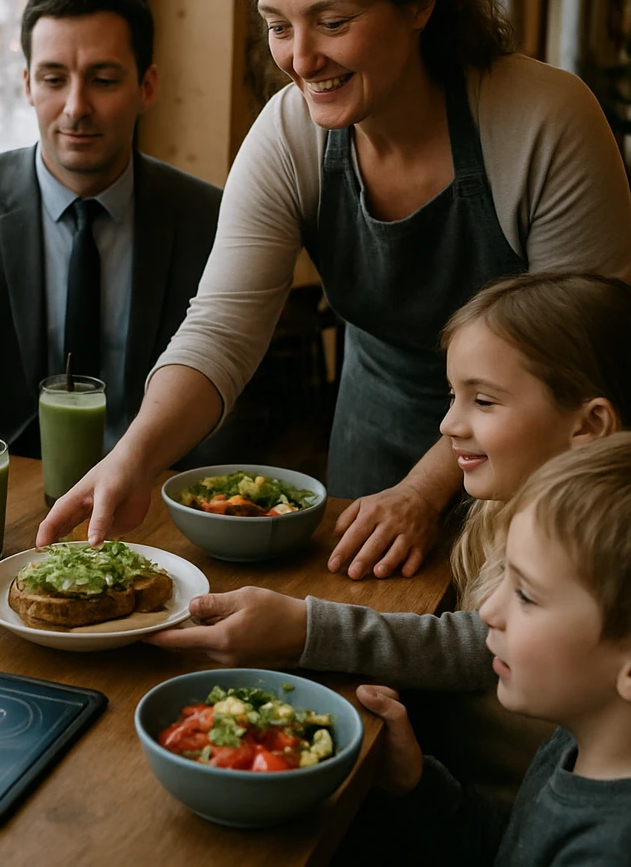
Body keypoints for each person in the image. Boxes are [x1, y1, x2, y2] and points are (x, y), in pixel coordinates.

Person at [37, 0, 631, 579]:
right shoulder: (290, 134)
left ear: (418, 0)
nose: (301, 59)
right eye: (278, 27)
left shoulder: (544, 120)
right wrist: (131, 458)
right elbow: (221, 328)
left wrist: (424, 488)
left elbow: (578, 357)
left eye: (333, 22)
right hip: (372, 433)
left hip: (531, 460)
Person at [148, 272, 631, 799]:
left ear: (589, 426)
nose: (448, 424)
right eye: (453, 396)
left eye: (484, 401)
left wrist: (304, 629)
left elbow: (471, 645)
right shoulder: (499, 508)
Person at [0, 0, 223, 464]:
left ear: (147, 87)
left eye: (103, 80)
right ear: (27, 85)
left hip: (155, 499)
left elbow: (235, 404)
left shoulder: (208, 221)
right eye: (53, 79)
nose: (75, 108)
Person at [355, 433, 631, 866]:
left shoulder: (606, 851)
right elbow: (509, 848)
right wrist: (419, 785)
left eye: (527, 595)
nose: (489, 612)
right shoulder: (576, 742)